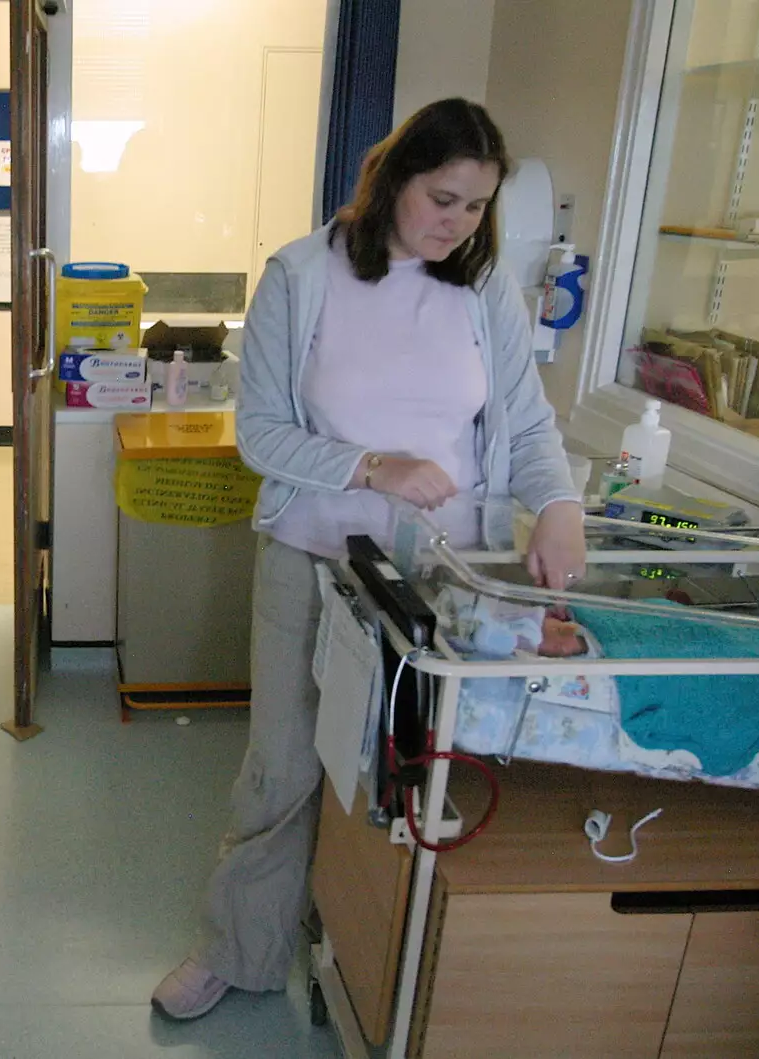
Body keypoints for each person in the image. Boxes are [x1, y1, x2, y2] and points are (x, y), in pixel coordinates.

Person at [151, 98, 586, 1020]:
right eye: (442, 198)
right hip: (313, 561)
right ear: (394, 180)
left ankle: (374, 957)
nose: (457, 223)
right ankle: (240, 947)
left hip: (444, 577)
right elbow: (260, 433)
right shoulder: (302, 277)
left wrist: (559, 505)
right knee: (285, 767)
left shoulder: (482, 293)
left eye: (476, 207)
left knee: (414, 774)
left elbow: (530, 422)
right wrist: (370, 465)